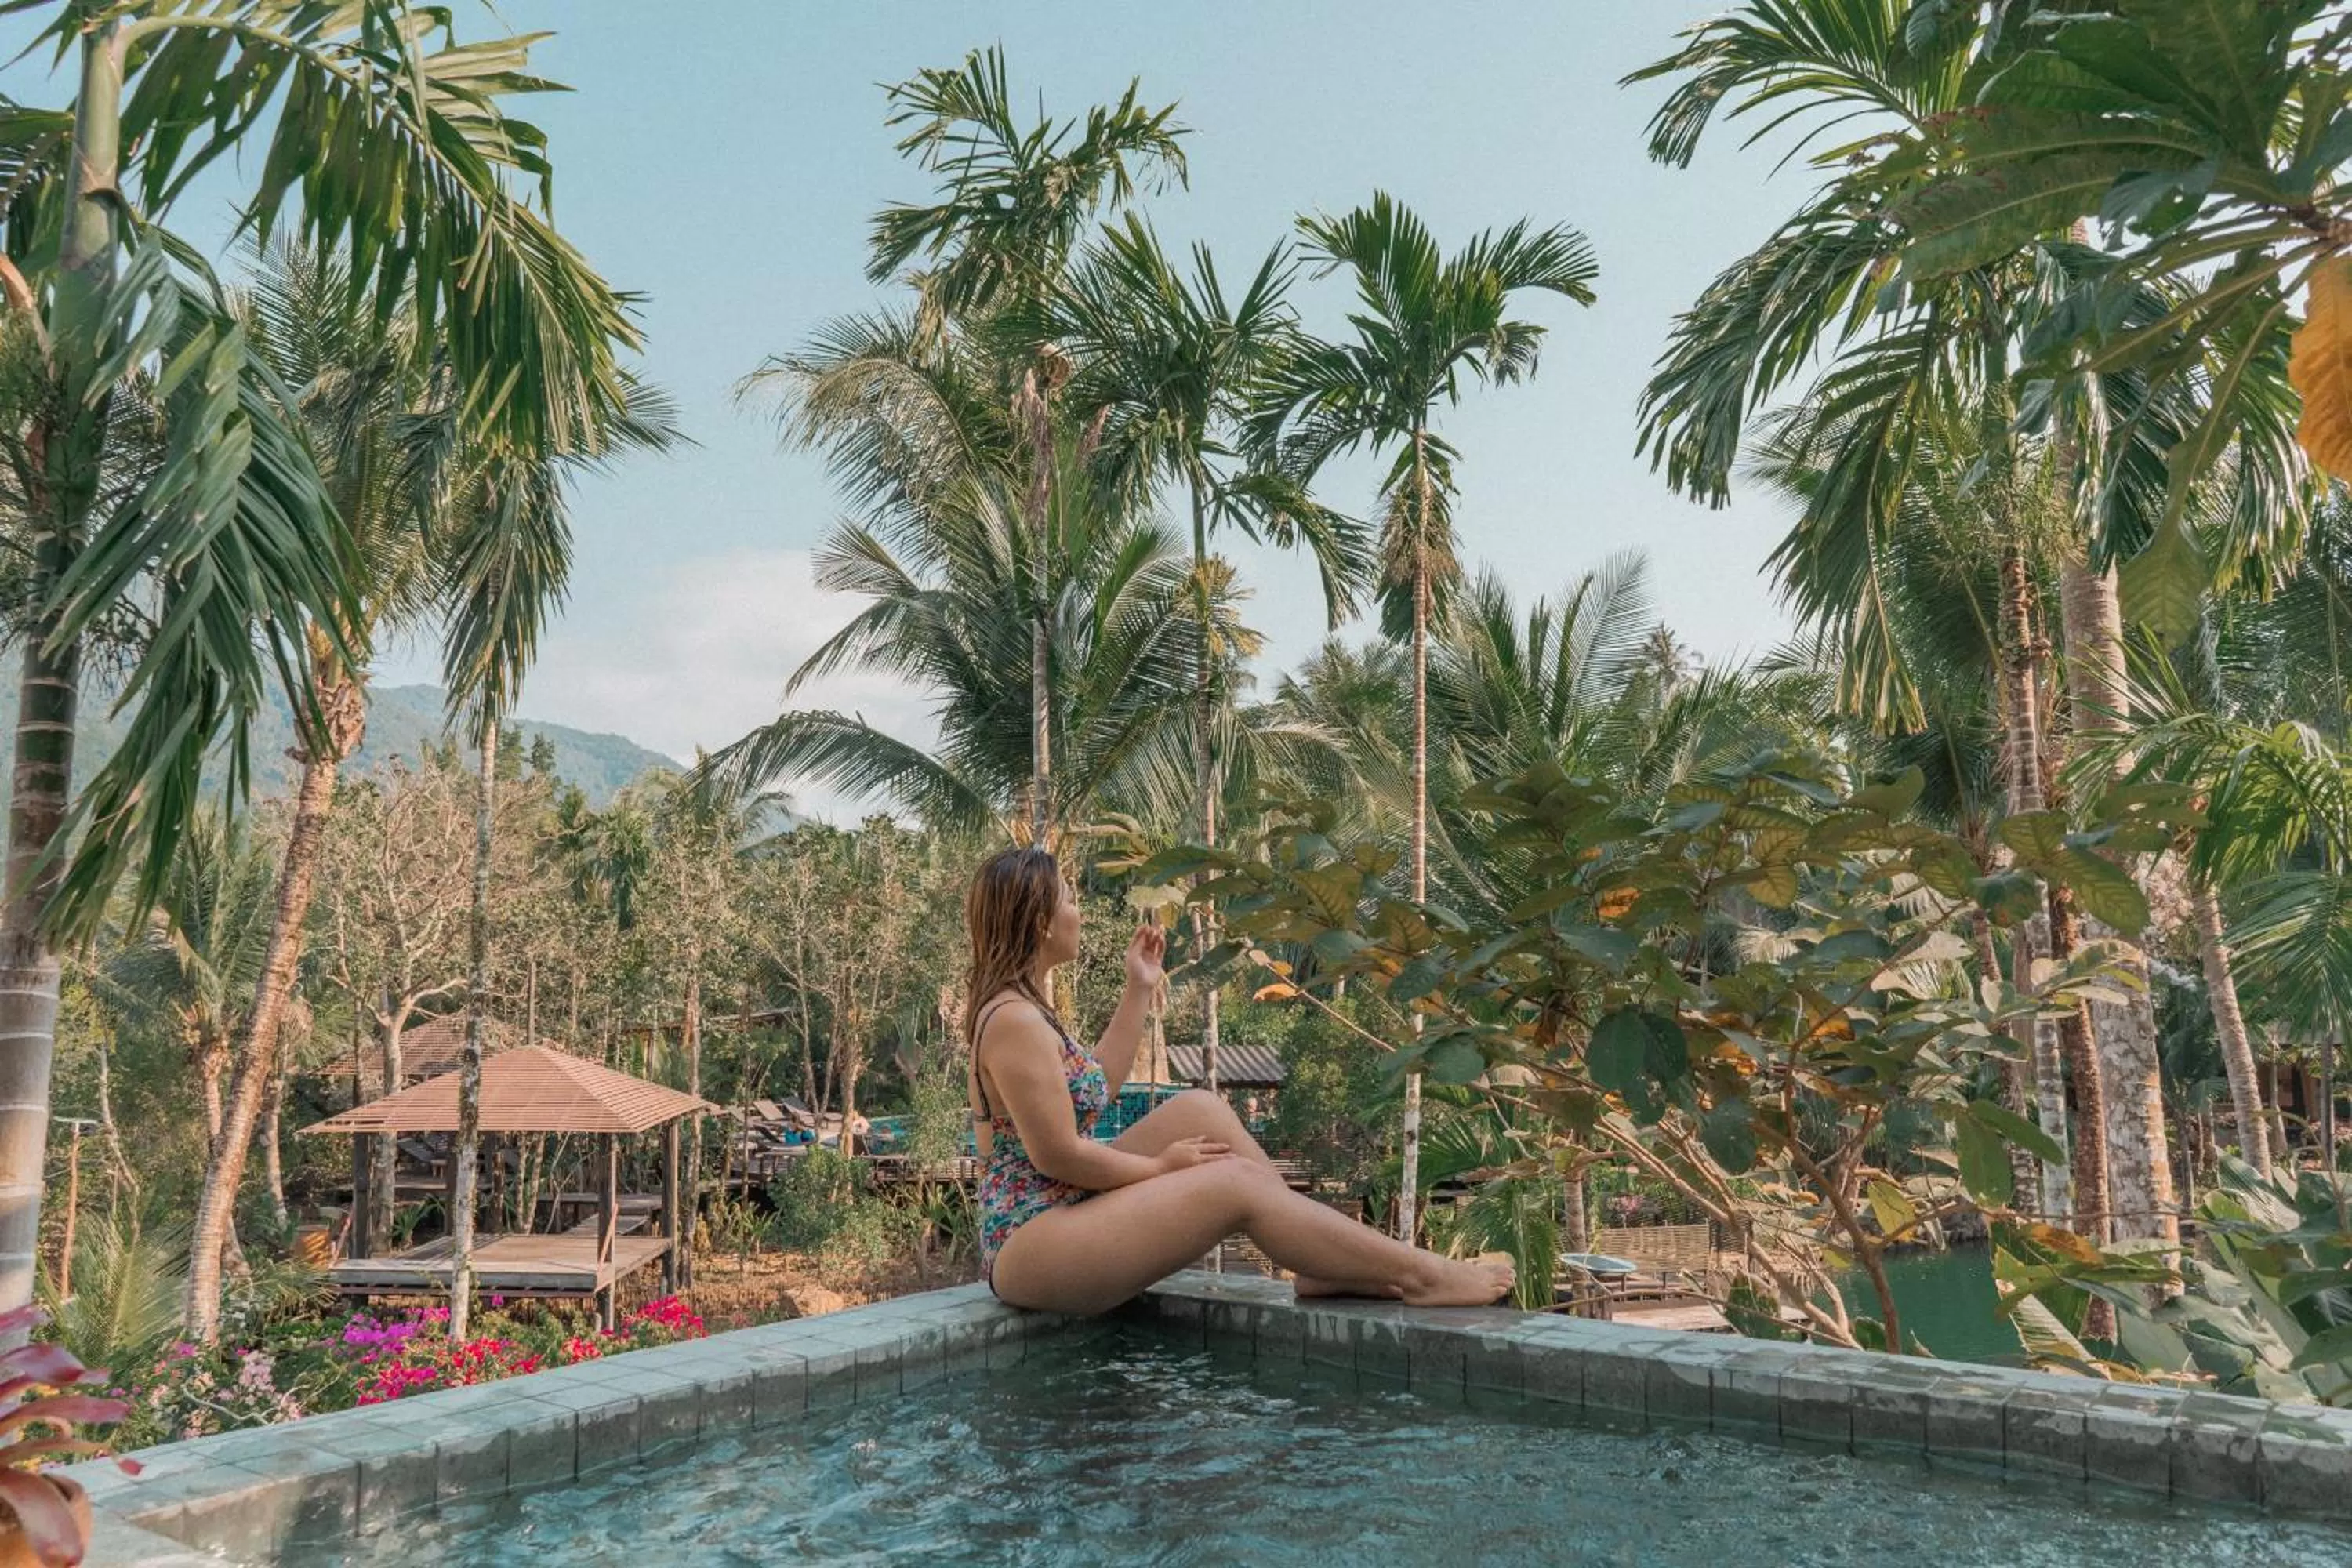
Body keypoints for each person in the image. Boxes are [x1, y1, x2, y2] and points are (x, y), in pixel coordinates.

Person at [964, 845, 1515, 1315]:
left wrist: (1138, 988)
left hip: (1063, 1205)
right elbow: (1058, 1155)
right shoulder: (1014, 1020)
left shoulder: (1027, 1009)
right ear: (1040, 921)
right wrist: (1160, 1167)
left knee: (1200, 1110)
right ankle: (1420, 1274)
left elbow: (1095, 1092)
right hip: (1032, 1238)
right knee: (1233, 1181)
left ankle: (1321, 1261)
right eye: (1069, 899)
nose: (1078, 912)